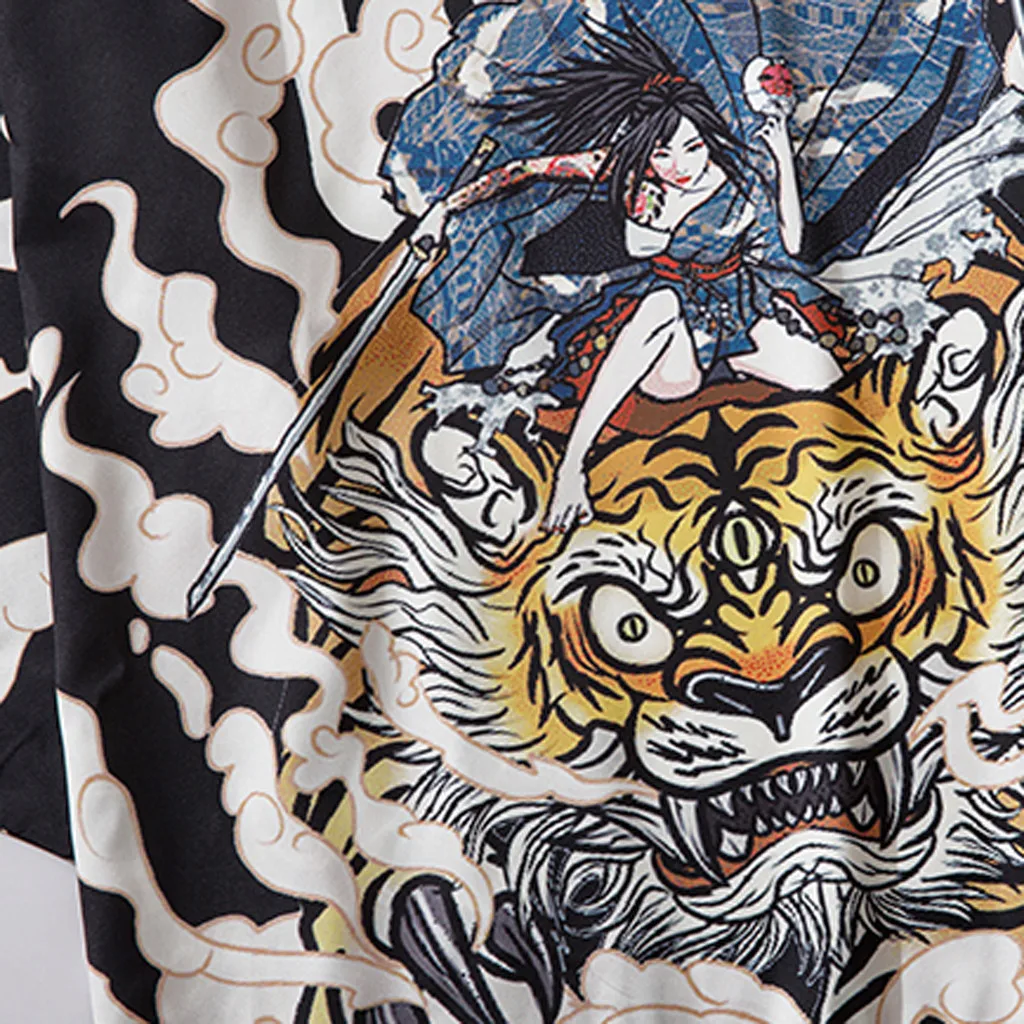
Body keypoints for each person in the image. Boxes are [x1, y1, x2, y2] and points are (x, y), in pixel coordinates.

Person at [414, 17, 845, 533]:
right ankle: (572, 468)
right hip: (667, 336)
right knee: (663, 303)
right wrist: (443, 210)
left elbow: (795, 243)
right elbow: (523, 170)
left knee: (829, 380)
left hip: (739, 311)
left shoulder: (740, 172)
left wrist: (782, 157)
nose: (681, 165)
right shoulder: (624, 171)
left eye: (692, 147)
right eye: (663, 153)